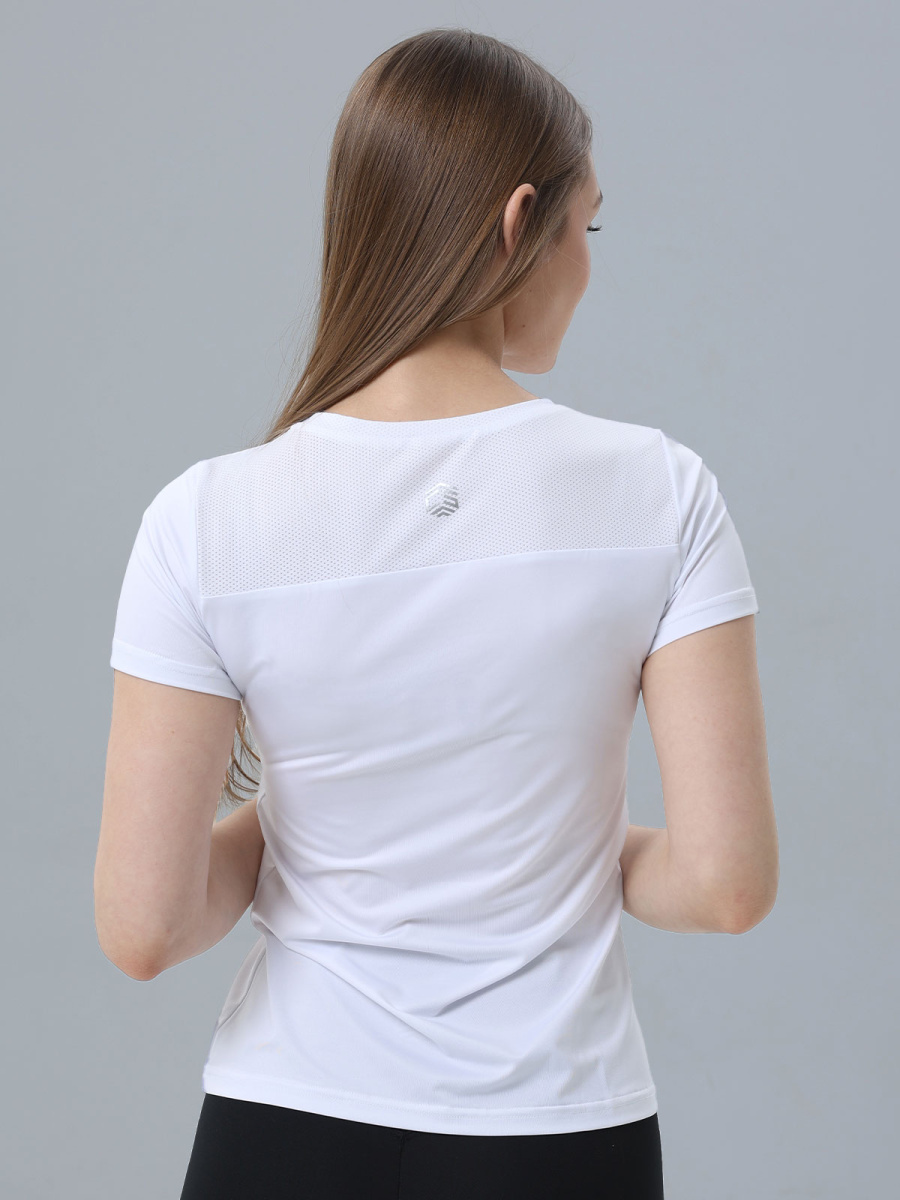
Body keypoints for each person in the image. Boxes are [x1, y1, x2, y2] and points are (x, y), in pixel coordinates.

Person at [94, 27, 778, 1200]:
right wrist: (559, 841)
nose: (587, 267)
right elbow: (725, 886)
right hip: (561, 1137)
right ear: (518, 223)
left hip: (285, 1130)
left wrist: (311, 818)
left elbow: (147, 926)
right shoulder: (660, 493)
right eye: (587, 228)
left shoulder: (204, 519)